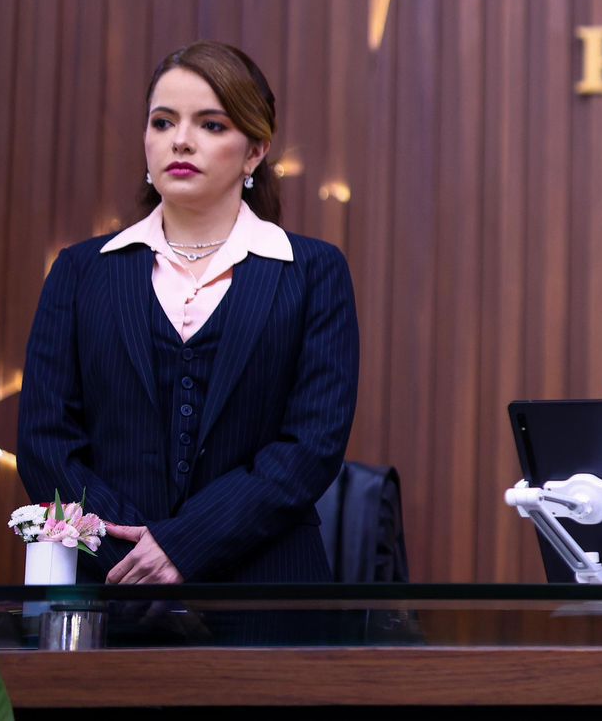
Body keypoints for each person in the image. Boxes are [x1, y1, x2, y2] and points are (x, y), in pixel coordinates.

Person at [19, 41, 359, 584]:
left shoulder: (314, 272)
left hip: (268, 592)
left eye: (211, 125)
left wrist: (183, 545)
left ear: (255, 151)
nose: (180, 140)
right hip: (113, 587)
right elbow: (46, 446)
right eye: (162, 122)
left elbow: (311, 447)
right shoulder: (80, 271)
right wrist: (127, 553)